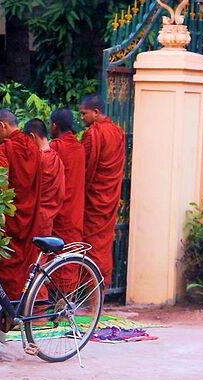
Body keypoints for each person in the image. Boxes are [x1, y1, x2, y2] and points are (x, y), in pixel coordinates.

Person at [0, 109, 44, 300]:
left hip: (10, 215)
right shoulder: (33, 148)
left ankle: (8, 302)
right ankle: (22, 302)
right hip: (29, 215)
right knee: (23, 259)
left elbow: (0, 182)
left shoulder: (7, 148)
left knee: (7, 258)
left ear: (3, 125)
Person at [79, 94, 126, 286]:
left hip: (93, 198)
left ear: (96, 113)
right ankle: (100, 296)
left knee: (91, 246)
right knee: (103, 245)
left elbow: (85, 169)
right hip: (109, 196)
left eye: (84, 113)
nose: (81, 118)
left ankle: (90, 295)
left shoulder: (93, 134)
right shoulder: (118, 132)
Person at [49, 108, 86, 290]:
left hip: (59, 210)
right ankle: (67, 301)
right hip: (75, 211)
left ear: (54, 125)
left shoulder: (56, 147)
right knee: (70, 255)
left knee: (56, 255)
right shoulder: (79, 148)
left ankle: (56, 302)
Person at [23, 118, 65, 236]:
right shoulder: (57, 160)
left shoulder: (37, 159)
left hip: (33, 218)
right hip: (49, 217)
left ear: (32, 136)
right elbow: (61, 193)